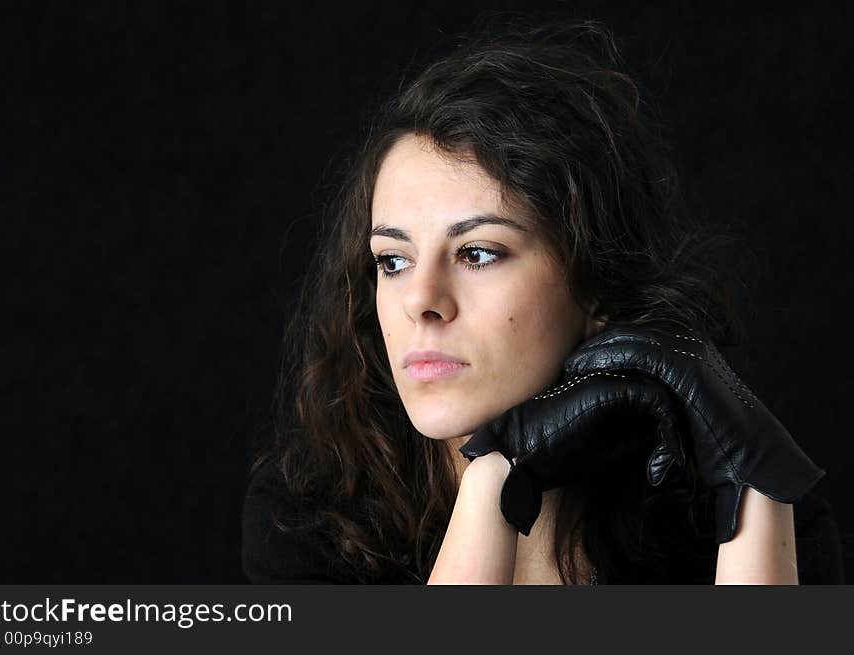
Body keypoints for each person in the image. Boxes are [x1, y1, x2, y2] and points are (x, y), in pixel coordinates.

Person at [242, 17, 826, 585]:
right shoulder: (310, 520)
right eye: (393, 262)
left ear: (596, 281)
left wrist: (755, 479)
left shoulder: (738, 521)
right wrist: (494, 476)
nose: (420, 300)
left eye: (478, 253)